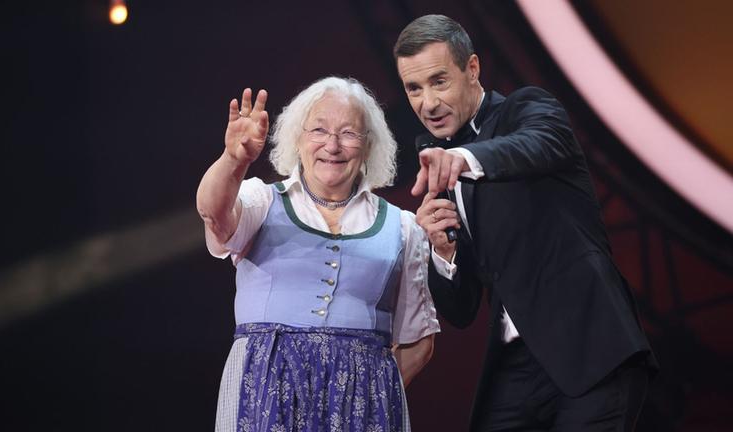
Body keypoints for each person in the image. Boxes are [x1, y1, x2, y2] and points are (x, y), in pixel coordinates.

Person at [393, 14, 657, 431]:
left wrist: (464, 159)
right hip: (515, 367)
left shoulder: (527, 109)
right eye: (414, 88)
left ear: (473, 69)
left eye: (439, 81)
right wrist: (442, 253)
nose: (428, 103)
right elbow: (461, 311)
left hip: (590, 348)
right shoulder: (438, 168)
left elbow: (538, 143)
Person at [196, 77, 440, 431]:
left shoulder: (403, 228)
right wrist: (233, 161)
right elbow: (213, 214)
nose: (333, 145)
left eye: (349, 133)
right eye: (319, 130)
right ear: (298, 138)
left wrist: (368, 390)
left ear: (369, 145)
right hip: (263, 393)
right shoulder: (262, 201)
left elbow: (419, 341)